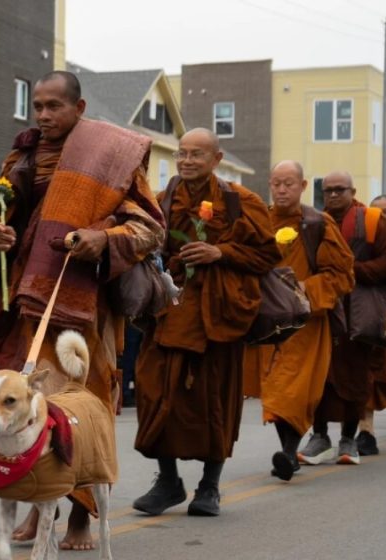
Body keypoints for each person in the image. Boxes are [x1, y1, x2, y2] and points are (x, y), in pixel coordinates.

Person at [0, 70, 165, 550]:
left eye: (55, 106)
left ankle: (79, 515)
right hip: (28, 300)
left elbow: (150, 227)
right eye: (38, 106)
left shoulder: (112, 155)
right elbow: (4, 218)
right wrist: (0, 237)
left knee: (78, 408)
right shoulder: (26, 154)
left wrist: (104, 239)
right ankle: (38, 505)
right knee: (30, 407)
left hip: (83, 308)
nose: (45, 115)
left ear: (80, 108)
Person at [132, 128, 281, 517]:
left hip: (220, 316)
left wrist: (222, 251)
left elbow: (267, 255)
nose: (186, 161)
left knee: (214, 400)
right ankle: (167, 482)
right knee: (154, 392)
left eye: (197, 154)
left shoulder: (239, 201)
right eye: (182, 153)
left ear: (217, 159)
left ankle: (209, 487)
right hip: (171, 312)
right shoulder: (162, 200)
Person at [242, 161, 354, 481]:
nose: (281, 189)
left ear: (304, 187)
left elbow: (342, 276)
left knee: (290, 391)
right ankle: (289, 455)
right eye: (276, 183)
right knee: (276, 392)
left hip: (306, 320)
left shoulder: (318, 223)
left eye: (289, 184)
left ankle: (289, 453)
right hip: (268, 321)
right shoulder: (260, 220)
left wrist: (306, 289)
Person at [298, 173, 386, 466]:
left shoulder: (371, 220)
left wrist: (351, 271)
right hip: (324, 308)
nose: (332, 195)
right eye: (327, 190)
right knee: (320, 375)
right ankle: (319, 436)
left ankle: (348, 438)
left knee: (355, 375)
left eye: (339, 190)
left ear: (353, 191)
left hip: (359, 309)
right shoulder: (315, 221)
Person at [356, 194, 386, 454]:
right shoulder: (364, 245)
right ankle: (366, 430)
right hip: (374, 316)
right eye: (376, 213)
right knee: (368, 374)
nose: (382, 217)